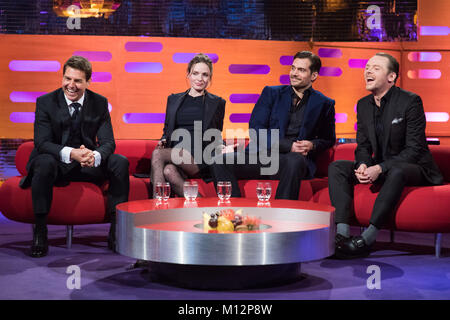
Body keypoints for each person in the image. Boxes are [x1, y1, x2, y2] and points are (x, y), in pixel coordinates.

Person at [328, 52, 443, 259]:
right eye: (367, 68)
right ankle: (342, 235)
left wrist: (379, 168)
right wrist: (363, 164)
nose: (368, 71)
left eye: (375, 68)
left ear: (391, 77)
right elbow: (362, 145)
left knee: (397, 170)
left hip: (414, 167)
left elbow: (414, 150)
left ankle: (368, 238)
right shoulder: (363, 105)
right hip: (380, 165)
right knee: (337, 167)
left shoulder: (410, 102)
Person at [20, 55, 130, 258]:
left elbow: (108, 142)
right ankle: (40, 232)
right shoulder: (45, 102)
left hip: (86, 164)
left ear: (88, 82)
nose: (71, 85)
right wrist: (72, 154)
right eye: (67, 78)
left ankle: (116, 232)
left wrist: (94, 156)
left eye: (78, 80)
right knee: (43, 162)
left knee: (119, 162)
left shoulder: (99, 103)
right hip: (56, 164)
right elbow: (42, 143)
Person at [209, 51, 336, 200]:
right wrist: (289, 146)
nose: (294, 73)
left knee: (295, 161)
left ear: (313, 76)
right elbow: (256, 130)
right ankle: (234, 212)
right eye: (293, 68)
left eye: (301, 70)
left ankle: (282, 213)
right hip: (261, 156)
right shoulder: (271, 93)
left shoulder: (324, 103)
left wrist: (312, 145)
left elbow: (328, 139)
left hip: (291, 161)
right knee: (219, 161)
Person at [150, 53, 226, 197]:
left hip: (200, 156)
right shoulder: (173, 99)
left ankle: (156, 204)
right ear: (188, 75)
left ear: (210, 78)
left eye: (205, 75)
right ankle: (202, 206)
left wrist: (221, 145)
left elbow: (216, 132)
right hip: (177, 152)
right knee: (169, 172)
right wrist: (163, 139)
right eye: (195, 73)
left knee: (158, 154)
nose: (200, 79)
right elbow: (167, 130)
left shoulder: (217, 103)